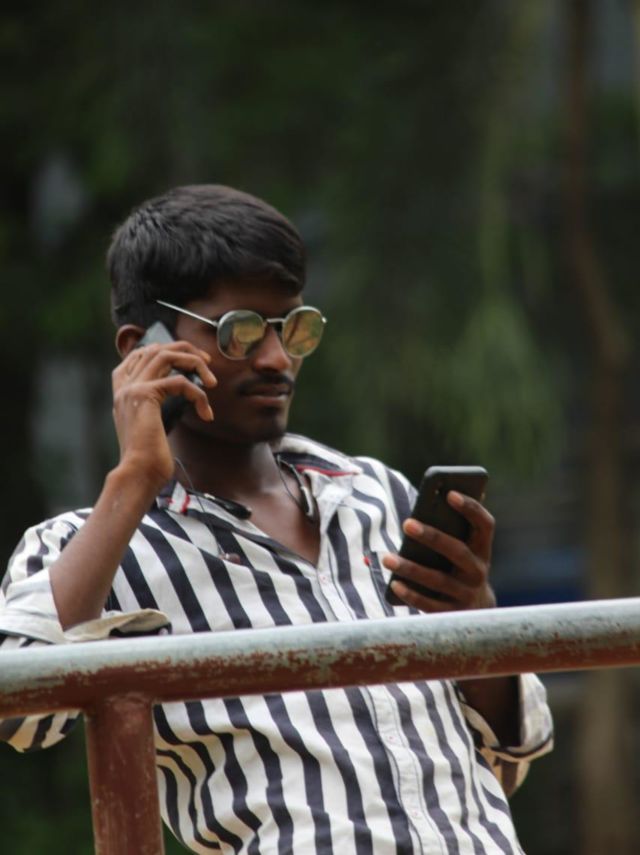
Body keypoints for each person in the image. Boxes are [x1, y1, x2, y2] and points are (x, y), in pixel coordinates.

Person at [0, 184, 552, 854]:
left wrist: (479, 623)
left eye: (293, 328)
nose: (275, 358)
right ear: (141, 348)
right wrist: (137, 476)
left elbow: (511, 756)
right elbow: (20, 712)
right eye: (239, 330)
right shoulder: (90, 546)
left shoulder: (380, 495)